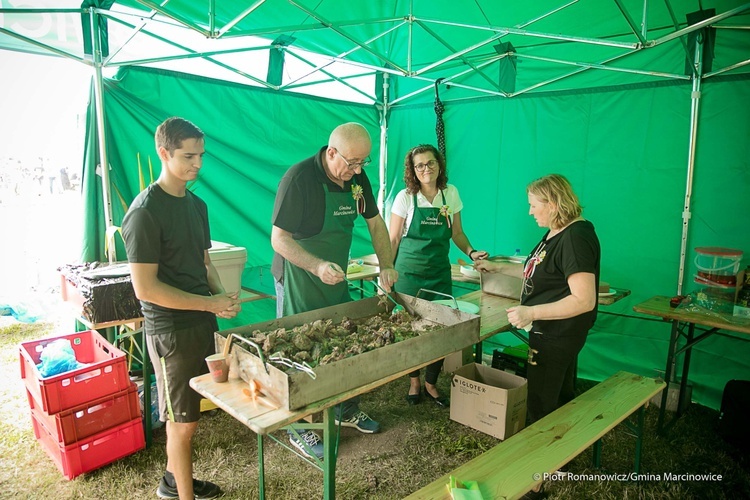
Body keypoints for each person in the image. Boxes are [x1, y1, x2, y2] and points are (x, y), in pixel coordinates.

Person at [122, 117, 240, 500]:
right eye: (189, 156)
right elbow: (147, 288)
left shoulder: (197, 204)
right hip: (170, 331)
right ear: (164, 152)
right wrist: (210, 302)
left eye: (201, 155)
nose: (198, 164)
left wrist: (223, 299)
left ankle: (174, 482)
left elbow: (205, 265)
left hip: (202, 321)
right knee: (181, 424)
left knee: (190, 416)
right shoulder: (144, 212)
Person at [271, 122, 398, 460]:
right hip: (299, 276)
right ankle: (297, 426)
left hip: (336, 276)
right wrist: (316, 266)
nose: (356, 171)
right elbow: (279, 239)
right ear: (330, 153)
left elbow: (375, 223)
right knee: (298, 352)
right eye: (352, 162)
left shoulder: (357, 178)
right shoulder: (299, 180)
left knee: (342, 344)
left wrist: (386, 264)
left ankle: (345, 409)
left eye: (363, 163)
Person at [475, 174, 600, 424]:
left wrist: (530, 313)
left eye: (533, 205)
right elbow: (537, 269)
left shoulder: (575, 238)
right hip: (552, 333)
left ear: (552, 203)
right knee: (559, 394)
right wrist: (497, 267)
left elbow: (584, 300)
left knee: (540, 403)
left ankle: (539, 456)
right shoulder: (557, 230)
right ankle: (560, 445)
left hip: (557, 334)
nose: (530, 212)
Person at [389, 144, 487, 407]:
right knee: (411, 329)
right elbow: (394, 237)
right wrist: (386, 270)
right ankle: (414, 380)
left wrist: (471, 252)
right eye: (419, 165)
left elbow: (457, 233)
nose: (425, 169)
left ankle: (431, 381)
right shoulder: (404, 197)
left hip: (438, 273)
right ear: (413, 170)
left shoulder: (450, 194)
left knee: (441, 327)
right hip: (408, 273)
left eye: (430, 163)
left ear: (439, 165)